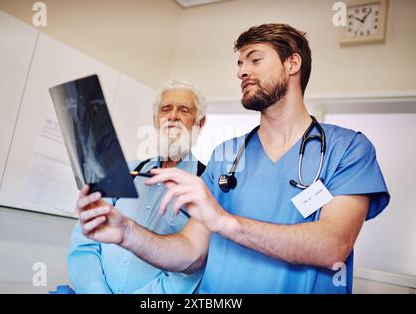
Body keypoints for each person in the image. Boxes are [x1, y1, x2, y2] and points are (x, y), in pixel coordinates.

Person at [75, 24, 390, 293]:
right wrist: (127, 233)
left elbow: (332, 246)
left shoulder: (348, 149)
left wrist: (224, 221)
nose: (242, 71)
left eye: (254, 59)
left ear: (292, 63)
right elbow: (192, 253)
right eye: (240, 63)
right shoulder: (226, 156)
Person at [68, 80, 207, 294]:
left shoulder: (206, 184)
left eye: (184, 109)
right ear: (155, 119)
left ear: (200, 122)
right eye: (166, 108)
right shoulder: (120, 171)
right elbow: (85, 241)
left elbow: (191, 266)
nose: (173, 116)